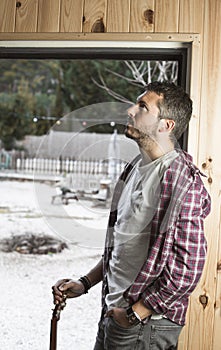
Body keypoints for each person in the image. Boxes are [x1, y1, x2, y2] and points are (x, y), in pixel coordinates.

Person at [52, 82, 211, 350]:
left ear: (166, 125)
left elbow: (188, 270)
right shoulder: (134, 169)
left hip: (144, 325)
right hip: (115, 314)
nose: (130, 110)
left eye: (142, 107)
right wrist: (86, 282)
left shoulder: (183, 181)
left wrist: (135, 313)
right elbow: (122, 248)